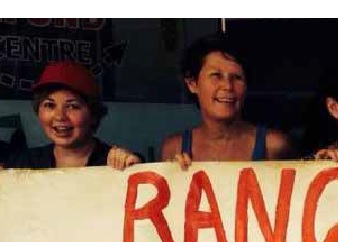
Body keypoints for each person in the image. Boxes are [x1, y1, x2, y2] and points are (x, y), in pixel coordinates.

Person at [160, 34, 292, 169]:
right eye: (216, 76)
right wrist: (174, 174)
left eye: (237, 77)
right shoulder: (174, 148)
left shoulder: (273, 146)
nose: (228, 86)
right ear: (192, 84)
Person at [4, 61, 141, 170]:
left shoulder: (116, 163)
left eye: (72, 106)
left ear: (93, 114)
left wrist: (132, 167)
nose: (59, 116)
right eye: (49, 105)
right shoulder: (22, 163)